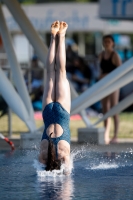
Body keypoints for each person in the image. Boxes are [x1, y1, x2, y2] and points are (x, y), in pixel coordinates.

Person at [38, 21, 71, 175]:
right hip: (48, 113)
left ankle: (61, 36)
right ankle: (53, 38)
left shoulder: (64, 155)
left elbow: (68, 172)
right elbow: (39, 168)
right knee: (50, 74)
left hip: (62, 113)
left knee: (61, 72)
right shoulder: (44, 155)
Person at [99, 35, 121, 144]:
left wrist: (106, 75)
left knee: (114, 109)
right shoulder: (101, 55)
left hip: (113, 84)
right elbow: (99, 70)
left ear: (112, 43)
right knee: (105, 110)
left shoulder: (115, 55)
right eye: (105, 41)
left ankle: (115, 135)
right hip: (104, 84)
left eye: (109, 41)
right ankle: (106, 134)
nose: (107, 43)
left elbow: (121, 71)